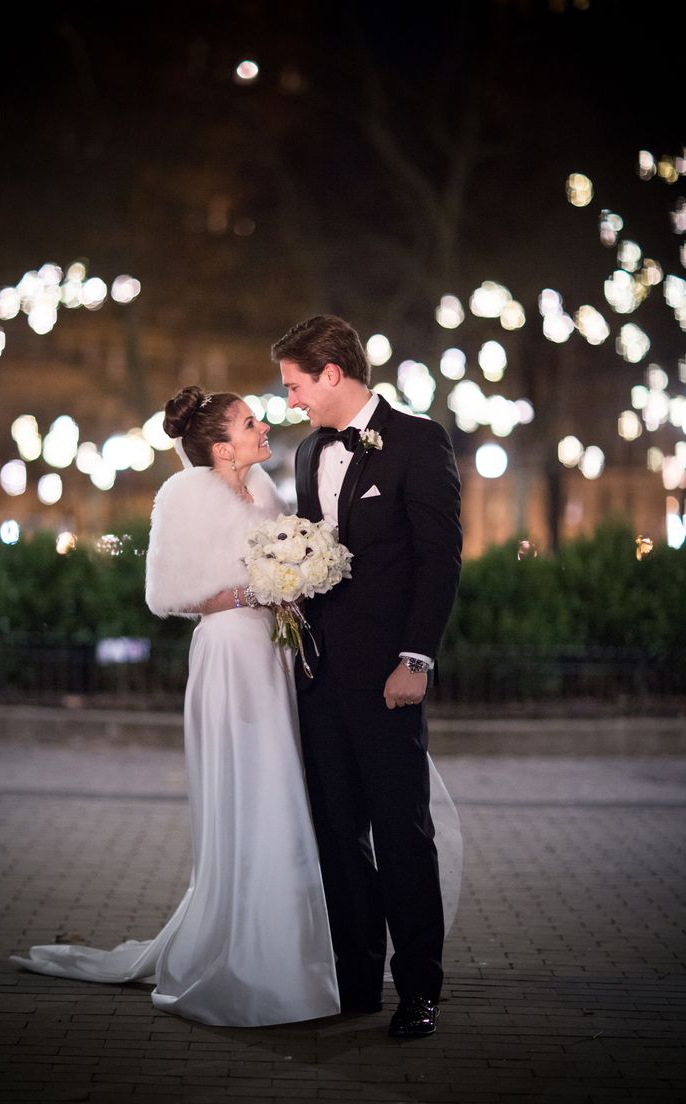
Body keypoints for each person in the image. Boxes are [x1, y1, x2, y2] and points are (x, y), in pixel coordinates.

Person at [10, 385, 341, 1027]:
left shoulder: (268, 491)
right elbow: (168, 593)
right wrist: (255, 592)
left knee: (282, 785)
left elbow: (286, 563)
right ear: (222, 446)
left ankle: (292, 945)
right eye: (250, 422)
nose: (263, 424)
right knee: (249, 788)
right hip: (228, 658)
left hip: (270, 657)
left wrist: (298, 577)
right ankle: (242, 952)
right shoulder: (183, 496)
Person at [272, 314, 463, 1038]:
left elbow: (439, 560)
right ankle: (356, 982)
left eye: (295, 385)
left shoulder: (420, 440)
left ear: (332, 374)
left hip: (388, 678)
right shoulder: (304, 454)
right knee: (337, 835)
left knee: (402, 834)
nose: (290, 402)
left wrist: (415, 658)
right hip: (319, 681)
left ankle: (419, 989)